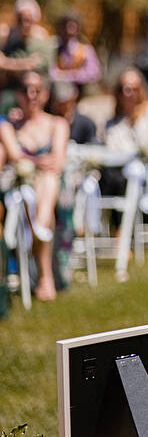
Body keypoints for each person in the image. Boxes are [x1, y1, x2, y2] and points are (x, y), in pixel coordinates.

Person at [9, 70, 69, 301]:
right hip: (23, 191)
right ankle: (45, 276)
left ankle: (40, 224)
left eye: (36, 90)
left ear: (45, 94)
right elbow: (15, 156)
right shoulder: (9, 126)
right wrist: (36, 161)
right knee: (34, 189)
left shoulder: (57, 123)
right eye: (25, 90)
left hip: (54, 191)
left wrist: (34, 163)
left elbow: (58, 161)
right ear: (18, 94)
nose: (31, 95)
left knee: (49, 180)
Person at [1, 0, 54, 112]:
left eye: (28, 20)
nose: (24, 24)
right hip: (13, 90)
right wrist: (26, 63)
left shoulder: (42, 40)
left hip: (37, 90)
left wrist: (8, 64)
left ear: (35, 20)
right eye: (20, 20)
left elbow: (41, 66)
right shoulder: (8, 40)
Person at [48, 11, 101, 89]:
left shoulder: (85, 50)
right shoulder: (53, 48)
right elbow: (50, 72)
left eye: (71, 26)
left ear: (78, 28)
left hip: (81, 92)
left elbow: (94, 73)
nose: (67, 30)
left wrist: (67, 76)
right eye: (64, 26)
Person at [48, 80, 98, 145]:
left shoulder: (86, 124)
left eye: (64, 104)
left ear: (73, 99)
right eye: (57, 103)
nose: (60, 108)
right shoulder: (46, 122)